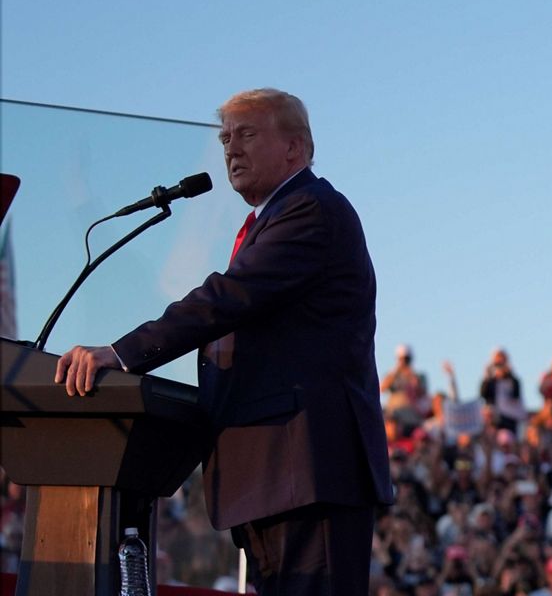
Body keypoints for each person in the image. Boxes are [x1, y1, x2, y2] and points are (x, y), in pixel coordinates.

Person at [55, 88, 393, 593]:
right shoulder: (270, 221)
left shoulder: (311, 210)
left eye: (247, 134)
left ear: (294, 149)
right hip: (270, 475)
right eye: (225, 137)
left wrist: (123, 354)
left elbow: (227, 297)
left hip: (307, 470)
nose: (230, 149)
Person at [382, 343, 428, 437]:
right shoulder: (392, 376)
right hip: (393, 415)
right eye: (401, 359)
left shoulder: (418, 376)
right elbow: (382, 388)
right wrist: (396, 371)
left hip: (410, 416)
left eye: (406, 359)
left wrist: (411, 375)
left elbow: (422, 392)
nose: (404, 362)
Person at [480, 347, 526, 433]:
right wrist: (487, 377)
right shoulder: (491, 381)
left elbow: (516, 395)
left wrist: (509, 374)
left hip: (511, 419)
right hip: (495, 419)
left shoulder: (513, 380)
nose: (499, 366)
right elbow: (483, 395)